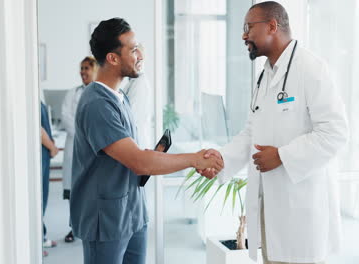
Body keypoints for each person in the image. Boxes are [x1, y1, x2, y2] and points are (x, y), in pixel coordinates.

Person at [200, 2, 349, 264]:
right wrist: (221, 159)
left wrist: (282, 156)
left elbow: (335, 132)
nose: (244, 35)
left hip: (302, 216)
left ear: (272, 26)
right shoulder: (266, 75)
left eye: (248, 27)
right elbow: (251, 133)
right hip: (271, 211)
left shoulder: (311, 68)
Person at [70, 18, 223, 264]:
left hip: (132, 211)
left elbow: (132, 156)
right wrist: (195, 159)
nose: (140, 54)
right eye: (133, 49)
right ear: (112, 58)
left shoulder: (120, 97)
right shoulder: (98, 104)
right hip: (106, 219)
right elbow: (139, 162)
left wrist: (156, 156)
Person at [61, 56, 98, 243]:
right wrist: (83, 134)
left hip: (93, 149)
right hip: (74, 144)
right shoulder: (72, 93)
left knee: (90, 189)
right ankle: (73, 228)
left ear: (95, 70)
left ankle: (89, 227)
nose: (83, 72)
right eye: (81, 68)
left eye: (86, 68)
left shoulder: (99, 93)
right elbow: (65, 116)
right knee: (73, 190)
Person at [40, 101, 59, 256]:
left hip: (43, 155)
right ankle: (36, 241)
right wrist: (52, 147)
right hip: (41, 154)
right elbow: (38, 129)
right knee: (39, 200)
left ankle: (41, 236)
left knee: (41, 199)